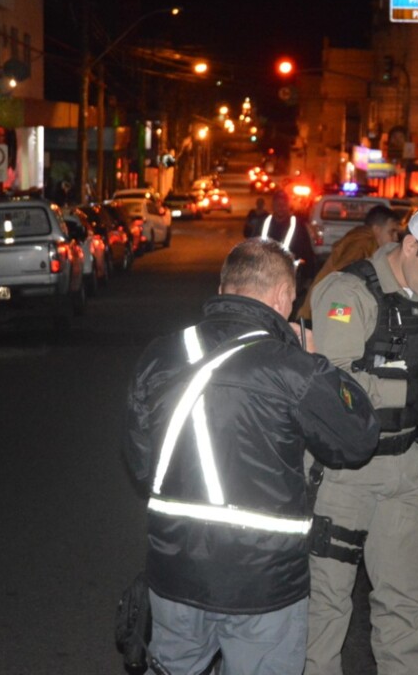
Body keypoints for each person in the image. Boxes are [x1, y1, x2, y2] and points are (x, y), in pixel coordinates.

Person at [124, 239, 380, 674]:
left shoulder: (162, 353)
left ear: (224, 286)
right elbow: (358, 439)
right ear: (283, 296)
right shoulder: (294, 367)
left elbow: (141, 461)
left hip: (175, 571)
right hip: (264, 585)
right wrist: (322, 360)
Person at [305, 206, 418, 675]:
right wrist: (416, 391)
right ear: (410, 247)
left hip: (405, 466)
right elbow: (335, 384)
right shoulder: (348, 292)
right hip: (345, 473)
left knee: (404, 606)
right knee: (327, 608)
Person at [297, 204, 401, 320]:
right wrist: (344, 319)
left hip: (324, 307)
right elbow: (344, 280)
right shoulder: (362, 243)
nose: (396, 238)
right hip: (328, 309)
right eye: (392, 232)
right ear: (377, 229)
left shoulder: (364, 242)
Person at [259, 189, 318, 296]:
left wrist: (309, 277)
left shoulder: (298, 225)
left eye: (284, 204)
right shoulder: (264, 222)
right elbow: (253, 246)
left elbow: (307, 251)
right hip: (266, 277)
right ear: (273, 205)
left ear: (288, 205)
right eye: (278, 204)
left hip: (290, 278)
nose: (281, 207)